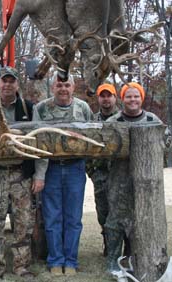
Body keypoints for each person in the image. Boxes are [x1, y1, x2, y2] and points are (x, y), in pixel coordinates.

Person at [0, 66, 44, 280]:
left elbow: (41, 142)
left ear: (17, 84)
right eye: (4, 81)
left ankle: (22, 267)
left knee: (23, 224)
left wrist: (40, 175)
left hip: (22, 175)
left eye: (11, 81)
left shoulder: (29, 108)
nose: (7, 85)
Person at [33, 72, 93, 276]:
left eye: (67, 85)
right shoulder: (41, 108)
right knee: (52, 217)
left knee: (73, 218)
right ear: (52, 88)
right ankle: (55, 260)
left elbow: (91, 136)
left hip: (75, 167)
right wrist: (39, 174)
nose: (63, 89)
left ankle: (71, 261)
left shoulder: (83, 108)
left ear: (73, 88)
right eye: (59, 85)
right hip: (51, 168)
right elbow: (37, 143)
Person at [104, 82, 163, 273]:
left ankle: (136, 259)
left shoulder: (152, 120)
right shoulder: (113, 122)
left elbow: (165, 144)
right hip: (118, 181)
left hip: (146, 182)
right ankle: (112, 261)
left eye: (136, 96)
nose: (132, 100)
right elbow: (102, 150)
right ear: (122, 98)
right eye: (128, 96)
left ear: (142, 98)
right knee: (114, 222)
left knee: (141, 221)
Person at [86, 83, 119, 256]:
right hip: (100, 175)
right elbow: (86, 147)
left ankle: (124, 247)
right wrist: (91, 172)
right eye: (103, 96)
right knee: (103, 212)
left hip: (120, 174)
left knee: (120, 211)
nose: (106, 99)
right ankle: (108, 246)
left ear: (115, 97)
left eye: (109, 95)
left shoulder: (122, 119)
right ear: (98, 98)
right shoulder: (92, 120)